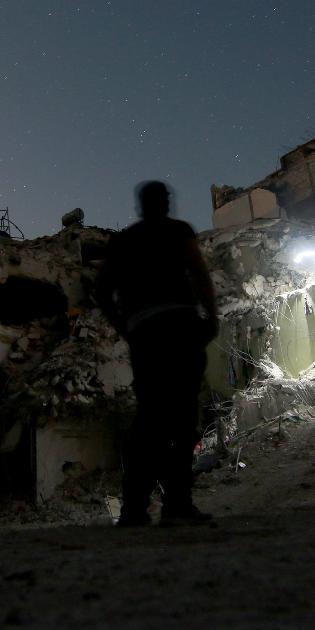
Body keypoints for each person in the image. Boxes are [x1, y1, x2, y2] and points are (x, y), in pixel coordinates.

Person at [95, 181, 219, 527]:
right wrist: (212, 316)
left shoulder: (122, 242)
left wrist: (126, 328)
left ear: (140, 205)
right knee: (180, 416)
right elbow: (199, 273)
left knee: (149, 418)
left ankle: (134, 508)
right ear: (164, 203)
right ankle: (177, 504)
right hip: (179, 327)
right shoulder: (178, 230)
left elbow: (101, 290)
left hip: (145, 336)